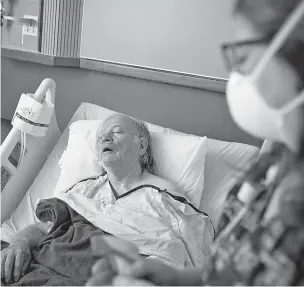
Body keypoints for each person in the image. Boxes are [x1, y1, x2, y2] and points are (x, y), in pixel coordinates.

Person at [87, 0, 304, 285]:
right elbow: (226, 271)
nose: (236, 77)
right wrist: (177, 280)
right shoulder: (272, 166)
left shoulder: (166, 197)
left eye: (243, 57)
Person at [1, 114, 210, 285]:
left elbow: (185, 254)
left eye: (117, 132)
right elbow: (43, 228)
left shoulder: (165, 194)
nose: (104, 138)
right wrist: (19, 243)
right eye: (100, 136)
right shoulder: (84, 189)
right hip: (39, 269)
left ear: (142, 145)